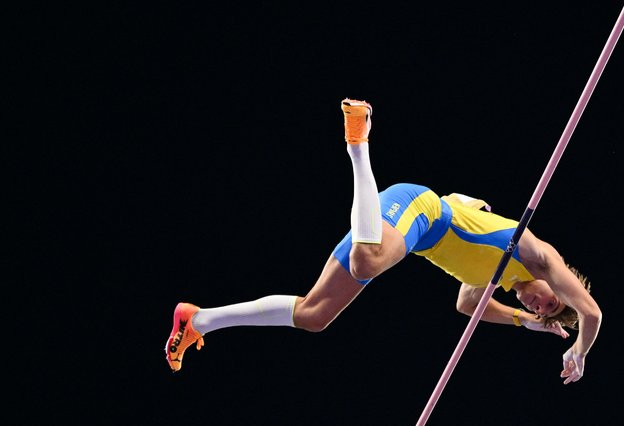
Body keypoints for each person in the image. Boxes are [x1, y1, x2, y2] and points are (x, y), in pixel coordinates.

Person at [165, 98, 602, 385]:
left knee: (316, 315)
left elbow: (467, 305)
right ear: (556, 285)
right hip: (421, 210)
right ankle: (359, 143)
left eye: (543, 314)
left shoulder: (496, 279)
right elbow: (592, 312)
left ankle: (199, 320)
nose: (540, 307)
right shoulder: (537, 255)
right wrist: (579, 349)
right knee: (366, 262)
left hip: (402, 233)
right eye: (548, 304)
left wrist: (522, 323)